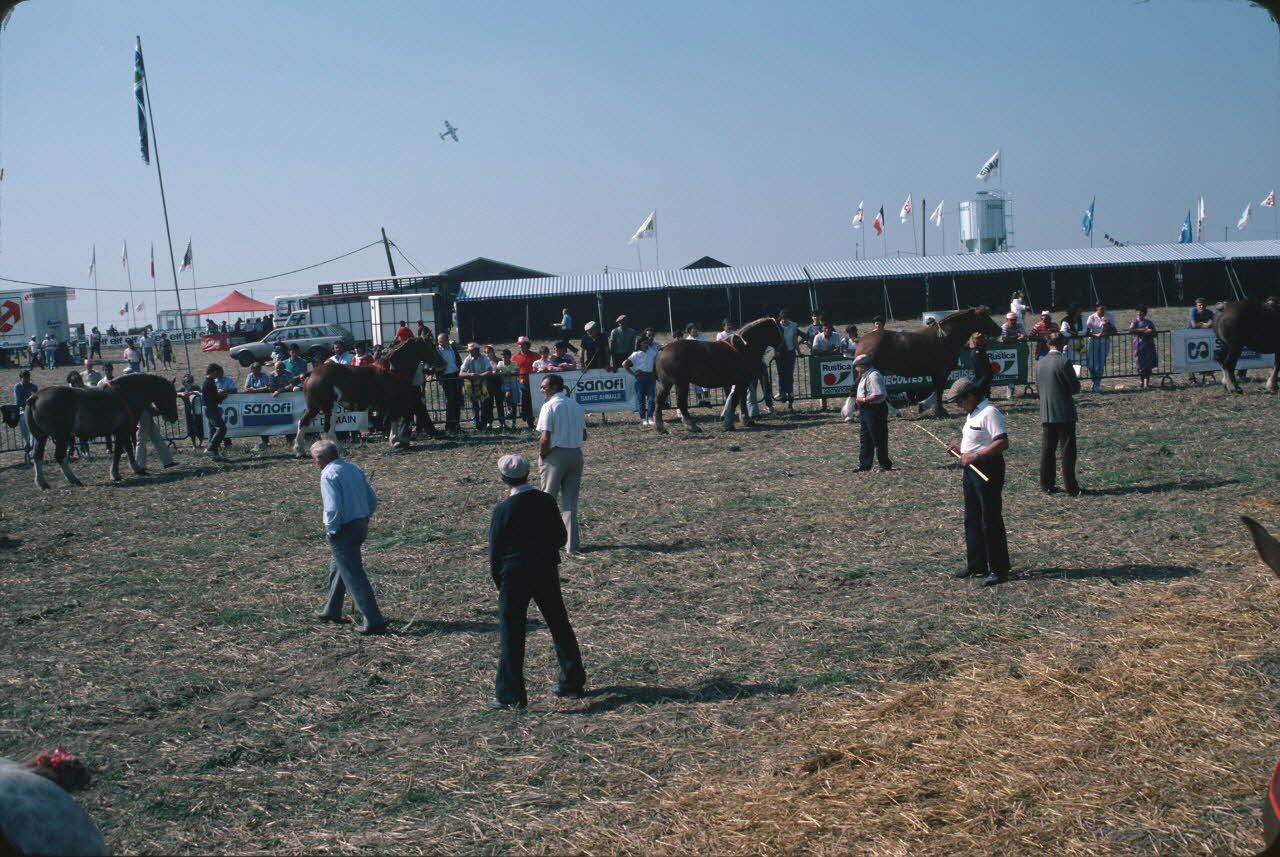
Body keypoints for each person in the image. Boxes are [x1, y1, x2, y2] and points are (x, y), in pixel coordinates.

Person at [487, 453, 585, 709]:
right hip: (545, 569)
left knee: (512, 632)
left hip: (514, 574)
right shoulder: (545, 500)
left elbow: (495, 551)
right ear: (527, 474)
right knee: (558, 622)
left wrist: (500, 580)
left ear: (503, 479)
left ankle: (511, 694)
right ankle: (572, 680)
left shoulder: (503, 510)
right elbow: (559, 535)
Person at [311, 439, 386, 635]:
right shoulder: (352, 468)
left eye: (314, 459)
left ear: (322, 457)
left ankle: (373, 619)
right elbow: (372, 498)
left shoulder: (328, 474)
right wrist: (364, 516)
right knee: (339, 568)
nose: (314, 464)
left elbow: (332, 507)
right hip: (360, 525)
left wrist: (331, 529)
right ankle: (331, 610)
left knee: (353, 575)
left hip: (343, 529)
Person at [944, 378, 1011, 586]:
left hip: (987, 468)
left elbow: (1002, 442)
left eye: (959, 401)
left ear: (971, 396)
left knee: (989, 519)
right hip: (971, 470)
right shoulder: (972, 413)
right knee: (972, 517)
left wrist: (978, 456)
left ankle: (998, 569)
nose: (958, 405)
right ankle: (977, 564)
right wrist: (961, 452)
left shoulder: (990, 412)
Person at [537, 374, 587, 555]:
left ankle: (547, 542)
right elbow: (584, 435)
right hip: (575, 454)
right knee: (570, 503)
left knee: (547, 501)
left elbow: (545, 438)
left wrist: (543, 455)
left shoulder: (548, 407)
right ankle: (571, 546)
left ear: (554, 387)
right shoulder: (577, 406)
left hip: (555, 455)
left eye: (544, 387)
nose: (542, 390)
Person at [1036, 334, 1081, 496]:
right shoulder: (1064, 362)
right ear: (1062, 344)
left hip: (1046, 412)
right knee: (1068, 451)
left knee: (1047, 450)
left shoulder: (1040, 363)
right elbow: (1075, 387)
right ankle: (1071, 487)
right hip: (1064, 412)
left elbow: (1039, 387)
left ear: (1048, 344)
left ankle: (1046, 484)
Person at [852, 354, 891, 472]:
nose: (856, 369)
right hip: (865, 410)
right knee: (865, 438)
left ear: (863, 366)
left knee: (878, 438)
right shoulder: (865, 375)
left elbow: (879, 394)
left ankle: (884, 464)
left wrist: (863, 400)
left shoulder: (874, 376)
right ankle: (864, 464)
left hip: (875, 409)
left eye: (857, 366)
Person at [623, 331, 658, 426]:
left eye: (647, 343)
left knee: (651, 399)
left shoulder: (652, 352)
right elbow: (624, 364)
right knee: (641, 399)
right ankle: (643, 418)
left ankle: (650, 417)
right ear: (640, 344)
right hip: (640, 378)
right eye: (644, 343)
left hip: (650, 377)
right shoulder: (636, 354)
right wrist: (633, 373)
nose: (646, 344)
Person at [434, 332, 464, 433]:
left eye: (441, 341)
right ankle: (449, 425)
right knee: (450, 402)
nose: (440, 344)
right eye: (439, 342)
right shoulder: (437, 351)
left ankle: (457, 424)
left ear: (447, 340)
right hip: (446, 377)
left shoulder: (453, 349)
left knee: (458, 400)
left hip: (456, 375)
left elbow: (458, 361)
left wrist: (460, 372)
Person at [459, 342, 494, 430]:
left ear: (477, 350)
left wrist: (480, 376)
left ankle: (484, 423)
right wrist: (470, 374)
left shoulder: (484, 358)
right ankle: (477, 424)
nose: (470, 352)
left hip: (483, 384)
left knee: (484, 404)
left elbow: (489, 371)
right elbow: (461, 373)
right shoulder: (467, 359)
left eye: (472, 351)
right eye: (469, 351)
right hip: (472, 385)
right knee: (475, 405)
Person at [201, 363, 231, 460]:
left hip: (209, 408)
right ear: (213, 372)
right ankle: (210, 449)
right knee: (222, 428)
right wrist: (222, 396)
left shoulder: (209, 382)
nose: (218, 375)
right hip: (211, 408)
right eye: (217, 372)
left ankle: (214, 453)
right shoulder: (209, 383)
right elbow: (212, 399)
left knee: (213, 430)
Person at [1084, 304, 1115, 392]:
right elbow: (1087, 332)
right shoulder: (1091, 317)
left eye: (1104, 309)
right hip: (1093, 341)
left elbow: (1114, 330)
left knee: (1100, 364)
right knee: (1091, 364)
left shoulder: (1109, 316)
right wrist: (1095, 335)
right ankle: (1094, 381)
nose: (1102, 311)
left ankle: (1097, 384)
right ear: (1097, 309)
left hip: (1104, 342)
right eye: (1100, 309)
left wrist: (1108, 324)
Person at [811, 322, 841, 411]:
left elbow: (838, 349)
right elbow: (815, 351)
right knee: (822, 384)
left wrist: (823, 352)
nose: (827, 330)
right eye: (825, 328)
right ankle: (823, 406)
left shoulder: (836, 335)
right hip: (821, 363)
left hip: (833, 363)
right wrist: (830, 350)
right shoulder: (818, 337)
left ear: (831, 328)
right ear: (822, 329)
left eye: (828, 328)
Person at [1129, 305, 1158, 390]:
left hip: (1149, 347)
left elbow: (1155, 333)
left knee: (1148, 366)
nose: (1139, 313)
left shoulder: (1149, 322)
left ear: (1144, 313)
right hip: (1138, 347)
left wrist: (1150, 331)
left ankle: (1146, 383)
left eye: (1141, 311)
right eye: (1137, 312)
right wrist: (1143, 330)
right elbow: (1131, 330)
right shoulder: (1134, 321)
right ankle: (1141, 382)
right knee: (1140, 365)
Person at [511, 337, 538, 429]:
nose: (520, 346)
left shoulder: (535, 356)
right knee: (525, 395)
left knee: (531, 400)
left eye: (522, 344)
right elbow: (513, 372)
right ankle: (524, 413)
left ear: (527, 345)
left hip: (534, 382)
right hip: (521, 381)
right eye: (519, 344)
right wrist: (519, 379)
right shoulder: (514, 357)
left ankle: (529, 418)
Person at [775, 309, 799, 408]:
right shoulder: (777, 325)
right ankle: (781, 392)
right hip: (780, 352)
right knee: (781, 372)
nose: (784, 321)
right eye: (782, 319)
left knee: (789, 373)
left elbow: (794, 338)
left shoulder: (793, 325)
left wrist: (799, 351)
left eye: (786, 319)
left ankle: (790, 392)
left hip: (790, 351)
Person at [684, 323, 712, 406]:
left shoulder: (702, 337)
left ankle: (707, 399)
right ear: (689, 331)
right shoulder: (688, 339)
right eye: (693, 329)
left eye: (696, 329)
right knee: (695, 384)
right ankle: (700, 400)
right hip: (692, 364)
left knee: (705, 382)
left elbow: (707, 347)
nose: (695, 331)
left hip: (702, 362)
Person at [13, 370, 37, 461]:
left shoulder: (34, 387)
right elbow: (18, 402)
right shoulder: (17, 387)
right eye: (24, 379)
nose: (26, 381)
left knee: (34, 429)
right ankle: (26, 443)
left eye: (28, 378)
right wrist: (29, 400)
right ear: (21, 378)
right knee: (23, 421)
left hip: (33, 410)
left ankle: (32, 447)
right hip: (22, 410)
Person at [968, 331, 993, 400]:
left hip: (981, 351)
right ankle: (975, 394)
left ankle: (984, 393)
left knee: (987, 374)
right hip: (976, 351)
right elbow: (976, 337)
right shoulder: (976, 328)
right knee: (981, 375)